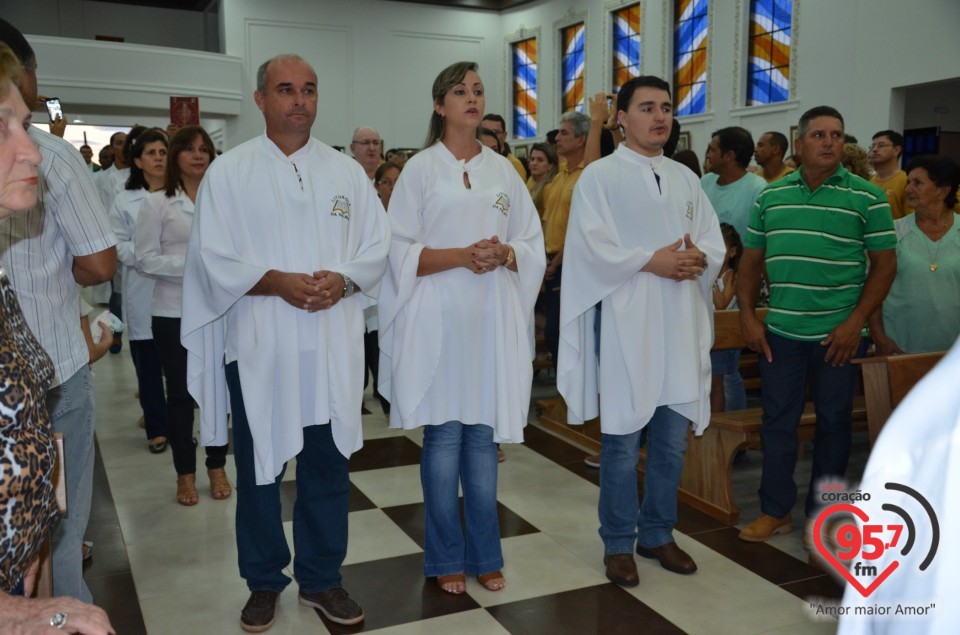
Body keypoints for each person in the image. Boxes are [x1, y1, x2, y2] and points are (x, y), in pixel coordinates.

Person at [181, 54, 390, 631]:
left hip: (329, 344)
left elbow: (377, 244)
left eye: (309, 90)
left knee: (326, 467)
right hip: (259, 347)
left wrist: (343, 280)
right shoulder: (231, 172)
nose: (300, 100)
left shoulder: (347, 172)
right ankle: (264, 580)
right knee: (259, 472)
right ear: (260, 100)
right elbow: (212, 258)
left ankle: (323, 578)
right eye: (286, 89)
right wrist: (277, 282)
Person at [378, 61, 545, 596]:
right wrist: (458, 256)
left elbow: (532, 244)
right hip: (437, 319)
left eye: (477, 91)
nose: (471, 98)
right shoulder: (420, 170)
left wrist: (505, 252)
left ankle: (486, 553)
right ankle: (445, 556)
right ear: (439, 105)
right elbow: (397, 251)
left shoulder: (505, 171)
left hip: (489, 317)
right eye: (459, 91)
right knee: (445, 436)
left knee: (481, 436)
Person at [558, 75, 725, 587]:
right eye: (647, 107)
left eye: (667, 108)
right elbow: (590, 248)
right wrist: (652, 260)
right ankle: (617, 541)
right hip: (628, 320)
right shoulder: (600, 177)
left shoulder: (684, 178)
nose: (660, 117)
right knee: (623, 442)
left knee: (672, 442)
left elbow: (712, 243)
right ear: (621, 119)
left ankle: (657, 533)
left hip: (678, 318)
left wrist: (701, 258)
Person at [737, 106, 897, 544]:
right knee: (778, 422)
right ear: (801, 141)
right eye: (820, 134)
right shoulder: (771, 196)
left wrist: (856, 324)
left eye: (838, 135)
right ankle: (775, 510)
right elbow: (750, 264)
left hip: (838, 336)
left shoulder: (867, 196)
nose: (830, 142)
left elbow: (884, 267)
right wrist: (749, 317)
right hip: (782, 334)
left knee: (834, 425)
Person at [0, 18, 117, 604]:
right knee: (58, 533)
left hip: (44, 368)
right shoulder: (52, 157)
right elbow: (99, 265)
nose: (27, 146)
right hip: (56, 366)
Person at [136, 126, 230, 505]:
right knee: (179, 395)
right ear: (175, 156)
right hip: (172, 310)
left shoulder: (223, 202)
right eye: (189, 148)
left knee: (216, 392)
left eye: (204, 148)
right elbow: (144, 259)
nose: (198, 155)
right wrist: (194, 266)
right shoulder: (156, 203)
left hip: (216, 310)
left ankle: (217, 465)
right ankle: (185, 474)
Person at [108, 128, 170, 453]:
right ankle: (157, 429)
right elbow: (116, 243)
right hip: (142, 290)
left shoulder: (184, 194)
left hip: (178, 294)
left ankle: (178, 422)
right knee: (147, 367)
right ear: (138, 161)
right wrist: (149, 258)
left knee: (176, 368)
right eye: (151, 153)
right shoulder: (125, 200)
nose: (159, 158)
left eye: (163, 152)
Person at [869, 155, 960, 355]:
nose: (908, 189)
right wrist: (879, 338)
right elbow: (871, 289)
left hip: (953, 355)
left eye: (917, 183)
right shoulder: (893, 232)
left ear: (942, 190)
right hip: (899, 347)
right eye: (908, 182)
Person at [711, 223, 743, 413]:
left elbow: (722, 304)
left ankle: (720, 423)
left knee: (720, 384)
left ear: (731, 252)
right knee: (710, 383)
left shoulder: (731, 276)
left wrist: (710, 282)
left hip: (725, 336)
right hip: (711, 334)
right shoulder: (712, 275)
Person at [868, 130, 910, 219]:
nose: (874, 150)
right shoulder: (870, 181)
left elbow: (910, 220)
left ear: (896, 150)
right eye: (873, 146)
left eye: (881, 145)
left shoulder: (905, 181)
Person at [482, 113, 527, 180]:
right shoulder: (479, 161)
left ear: (504, 135)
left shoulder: (513, 164)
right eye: (486, 131)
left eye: (495, 132)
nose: (490, 136)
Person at [526, 142, 558, 219]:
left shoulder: (550, 187)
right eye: (532, 159)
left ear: (551, 165)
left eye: (540, 160)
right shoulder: (531, 180)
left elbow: (547, 219)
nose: (534, 163)